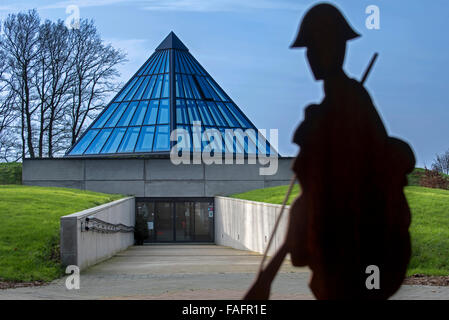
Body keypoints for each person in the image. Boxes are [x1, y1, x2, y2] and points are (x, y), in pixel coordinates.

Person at [244, 3, 415, 300]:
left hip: (348, 237)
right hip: (334, 237)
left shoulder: (350, 101)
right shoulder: (332, 106)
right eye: (308, 50)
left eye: (315, 47)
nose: (310, 57)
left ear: (335, 48)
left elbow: (354, 173)